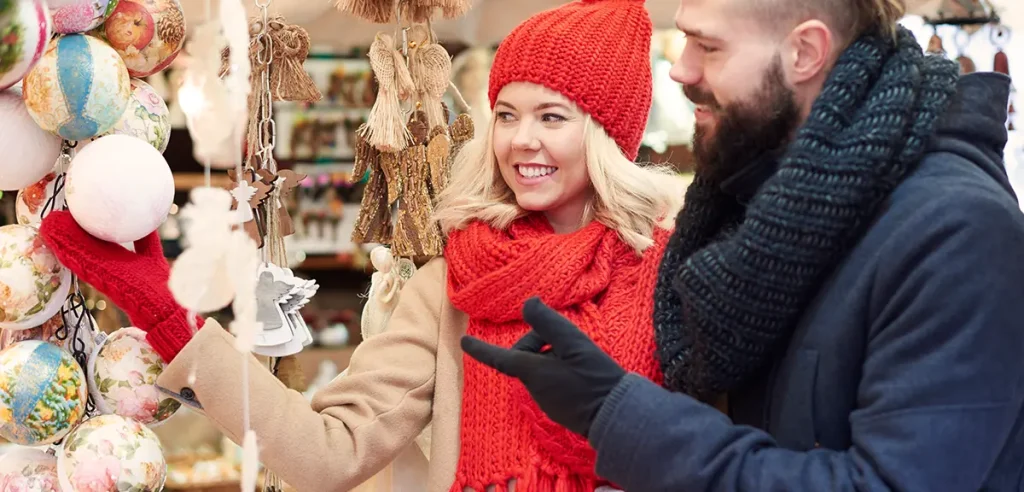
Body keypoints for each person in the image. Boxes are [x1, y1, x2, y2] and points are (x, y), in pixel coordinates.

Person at [37, 0, 687, 491]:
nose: (522, 140)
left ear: (608, 135)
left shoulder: (670, 275)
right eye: (508, 115)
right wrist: (170, 317)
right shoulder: (453, 287)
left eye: (552, 117)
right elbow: (330, 450)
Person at [462, 0, 1024, 490]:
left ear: (805, 52)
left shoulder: (957, 234)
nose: (680, 69)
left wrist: (619, 413)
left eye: (708, 46)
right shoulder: (766, 210)